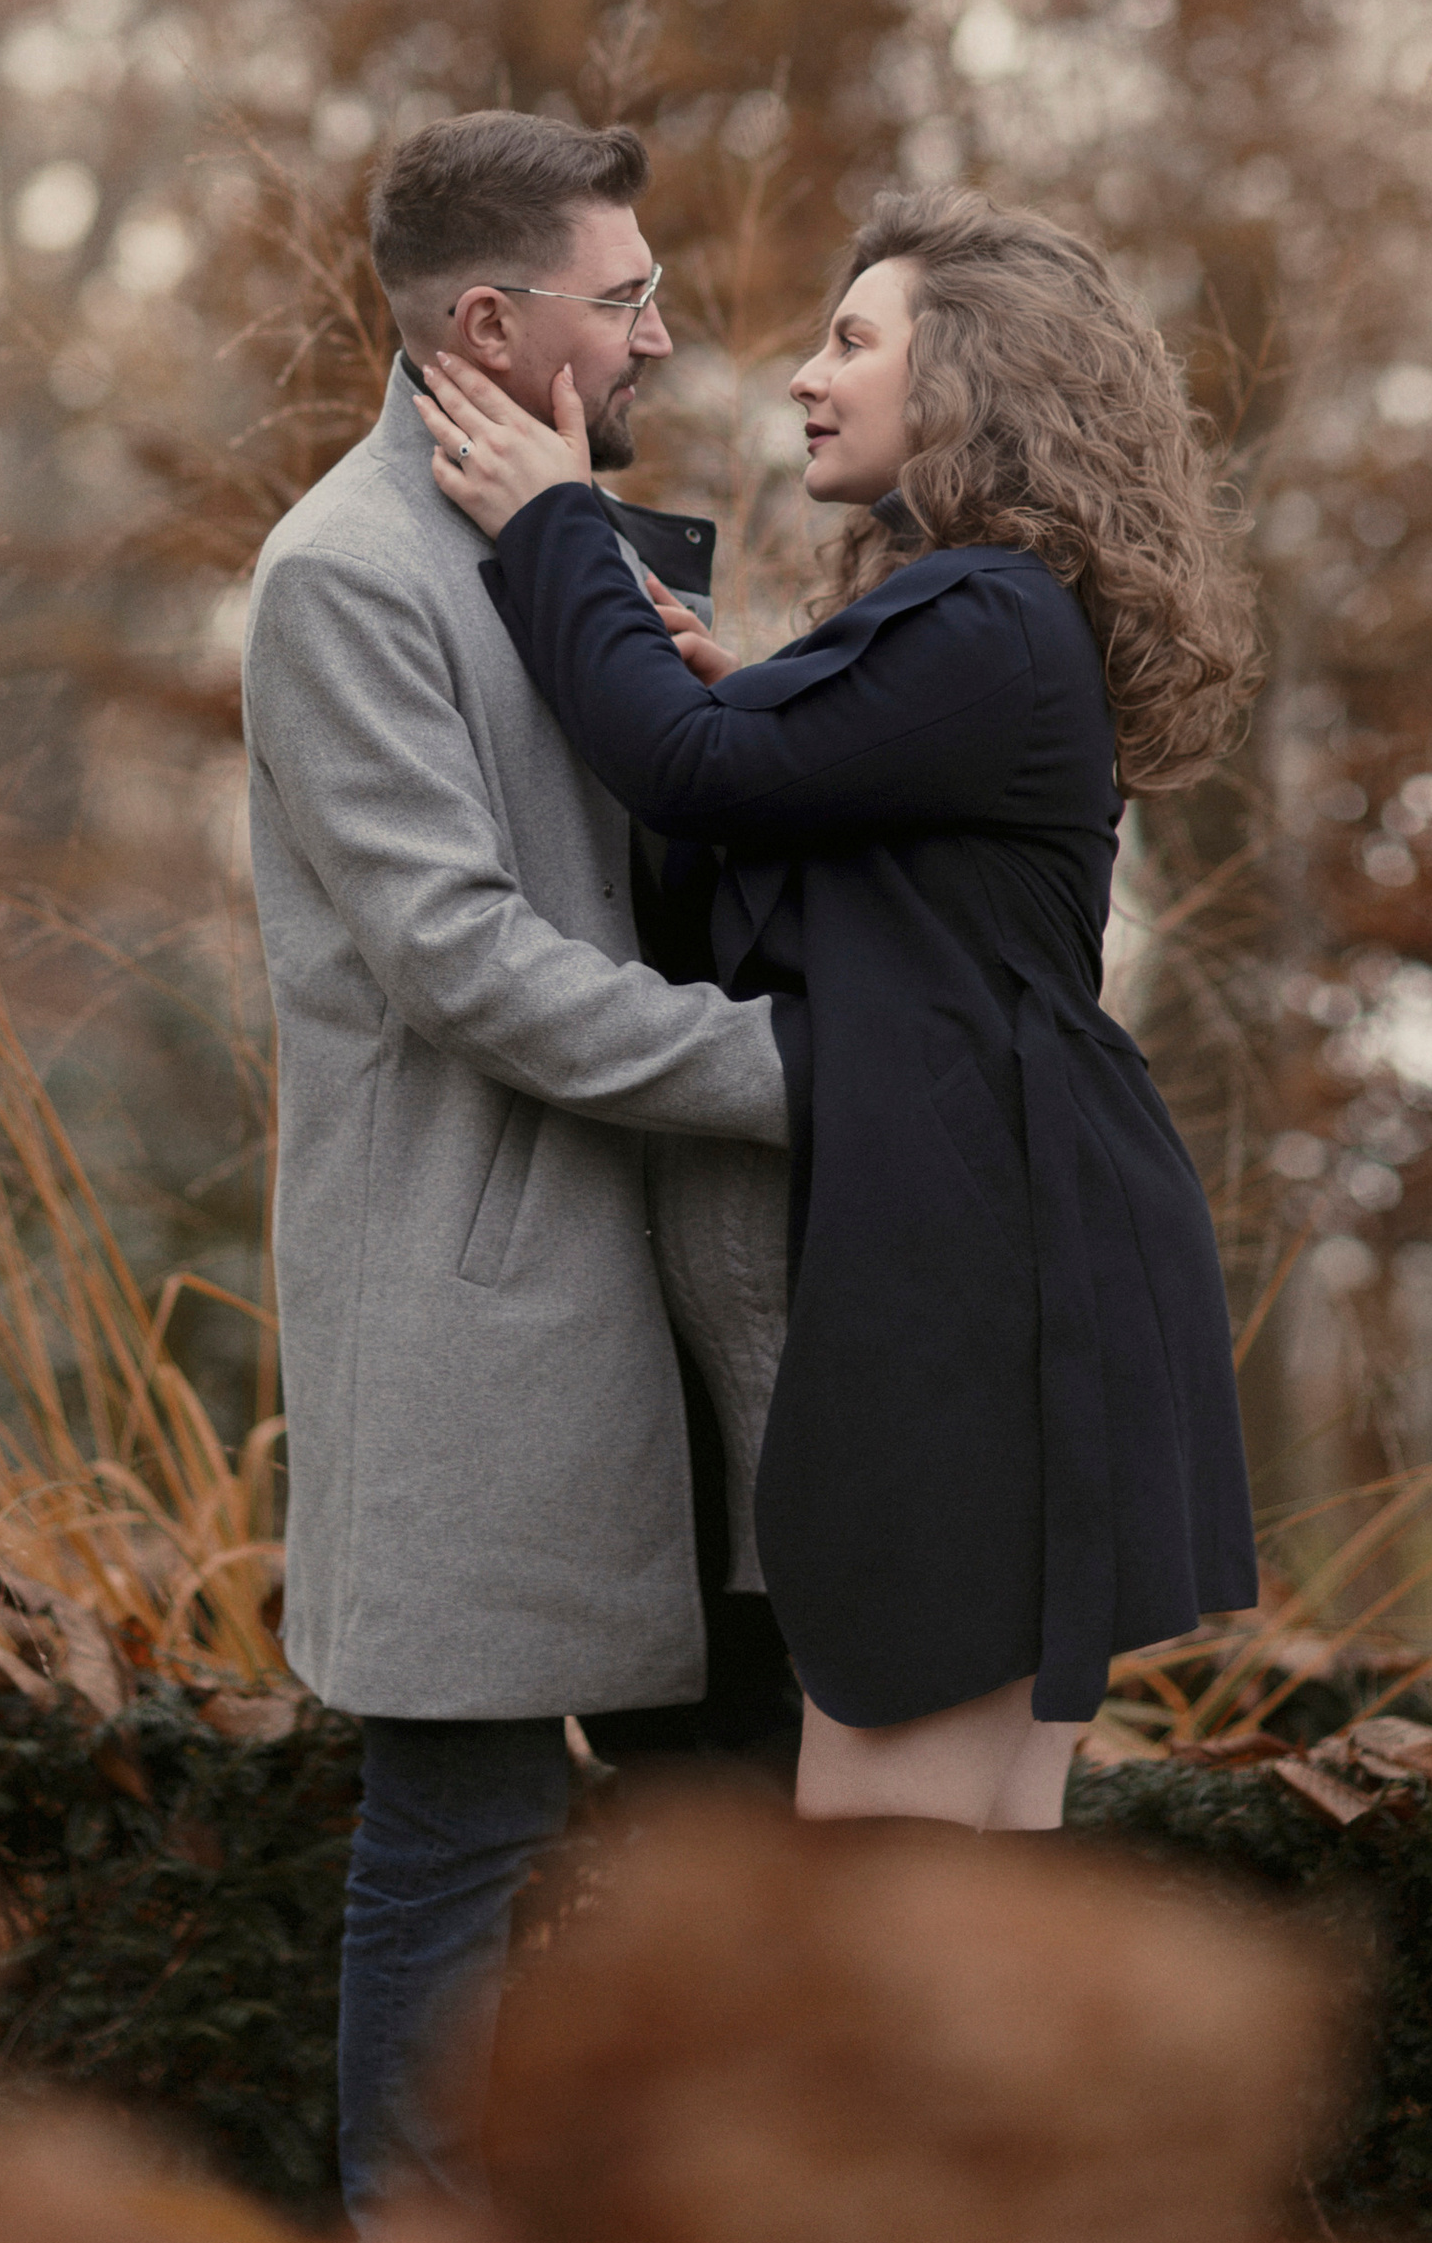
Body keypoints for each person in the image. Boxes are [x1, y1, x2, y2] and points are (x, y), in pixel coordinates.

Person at [412, 184, 1262, 1834]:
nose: (806, 372)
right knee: (955, 1902)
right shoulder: (980, 617)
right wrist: (741, 683)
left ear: (972, 382)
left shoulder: (987, 612)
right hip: (1021, 1254)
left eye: (853, 339)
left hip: (987, 1286)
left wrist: (553, 525)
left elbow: (688, 771)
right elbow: (768, 790)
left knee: (882, 1900)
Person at [241, 111, 790, 2220]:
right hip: (484, 1310)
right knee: (457, 1840)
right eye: (623, 298)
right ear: (492, 321)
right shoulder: (342, 577)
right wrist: (801, 1073)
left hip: (690, 1297)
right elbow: (462, 961)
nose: (660, 334)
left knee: (723, 1836)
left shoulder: (582, 532)